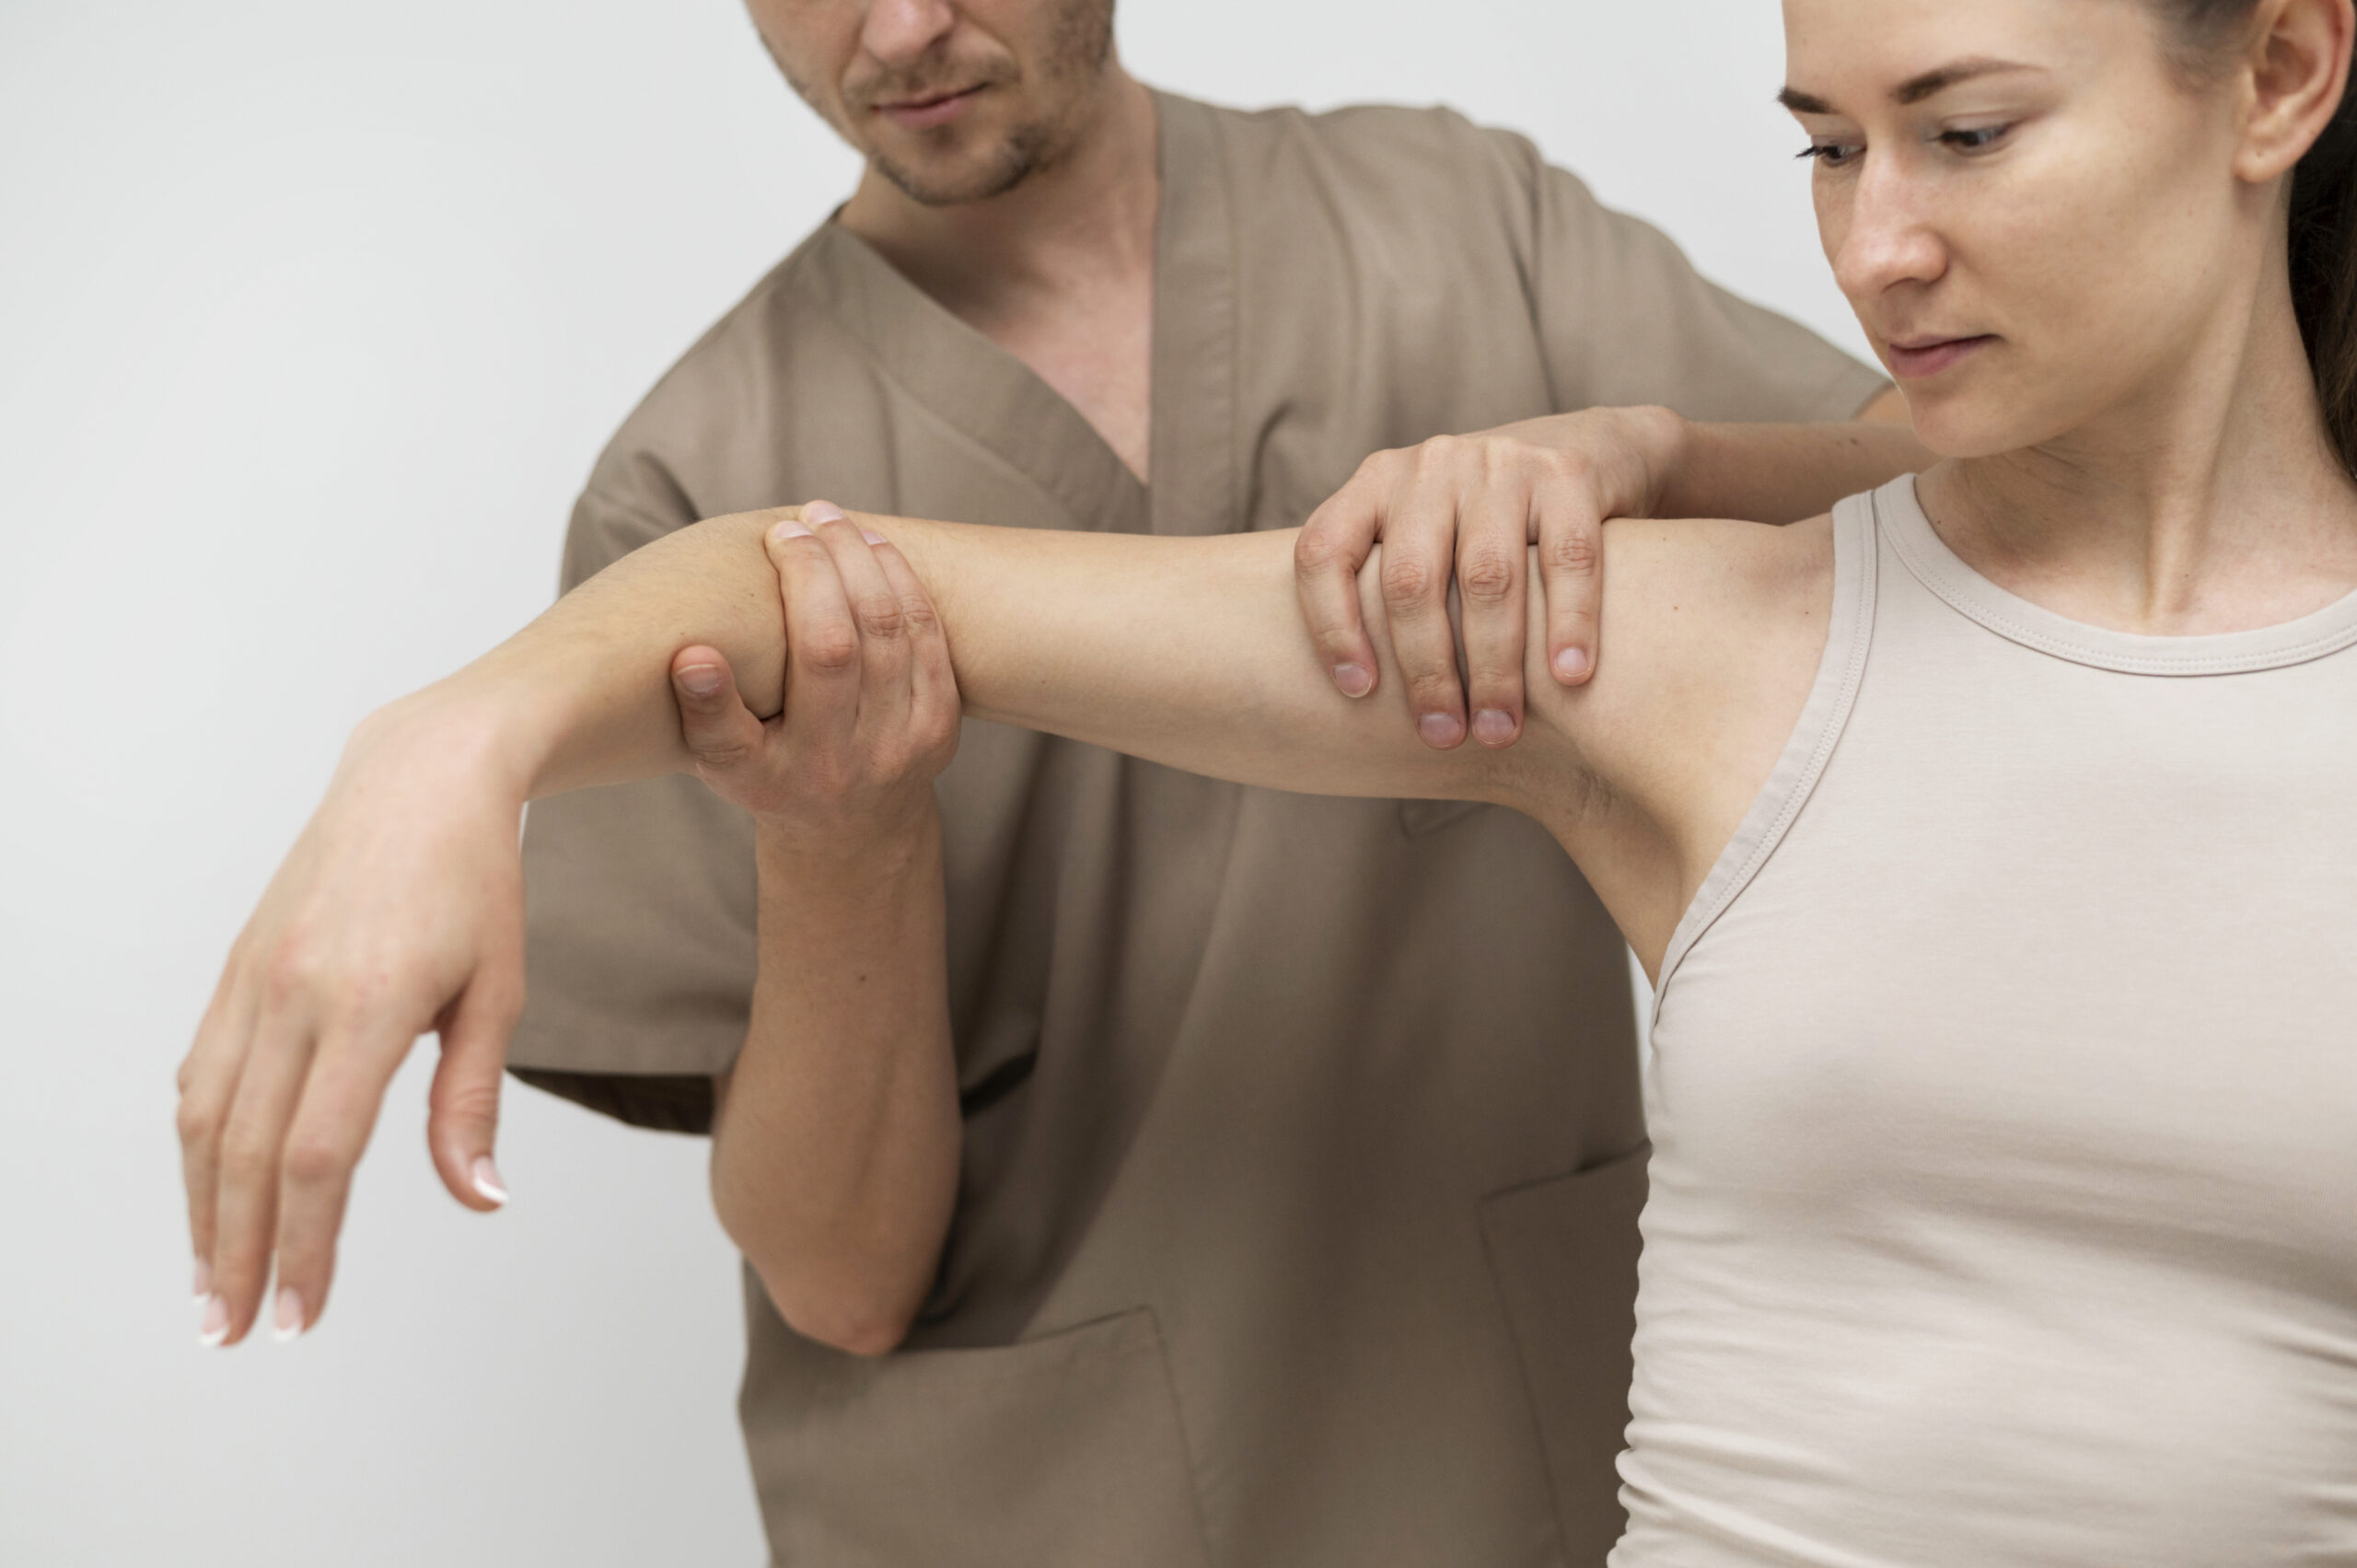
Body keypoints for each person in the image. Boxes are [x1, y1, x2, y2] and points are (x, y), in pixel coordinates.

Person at [181, 0, 2357, 1558]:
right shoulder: (705, 460)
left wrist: (1637, 446)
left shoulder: (1465, 237)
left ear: (2277, 76)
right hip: (1019, 1506)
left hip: (1493, 1452)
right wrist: (471, 749)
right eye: (1827, 147)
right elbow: (835, 1274)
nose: (899, 27)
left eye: (1956, 132)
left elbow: (1955, 467)